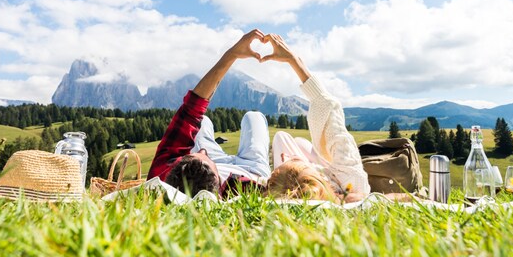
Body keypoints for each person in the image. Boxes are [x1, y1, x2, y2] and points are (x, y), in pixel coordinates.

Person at [148, 30, 271, 197]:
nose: (203, 150)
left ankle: (207, 160)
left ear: (176, 163)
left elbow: (192, 109)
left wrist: (231, 54)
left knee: (202, 121)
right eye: (203, 155)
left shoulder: (162, 173)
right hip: (251, 168)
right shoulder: (245, 190)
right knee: (253, 117)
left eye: (195, 154)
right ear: (219, 186)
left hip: (216, 162)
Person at [259, 34, 371, 203]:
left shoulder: (312, 193)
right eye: (303, 165)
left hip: (313, 179)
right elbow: (329, 107)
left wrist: (291, 165)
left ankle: (294, 161)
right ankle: (297, 161)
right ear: (317, 176)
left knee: (282, 137)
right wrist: (293, 60)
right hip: (332, 174)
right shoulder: (351, 182)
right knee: (294, 142)